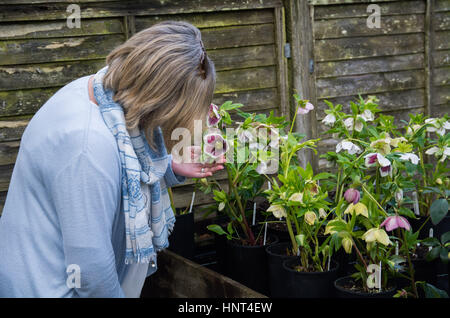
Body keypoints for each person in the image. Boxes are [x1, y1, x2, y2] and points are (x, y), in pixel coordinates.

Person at [0, 21, 224, 297]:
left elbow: (121, 167)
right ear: (157, 99)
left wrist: (167, 165)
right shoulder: (87, 147)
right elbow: (91, 273)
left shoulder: (103, 94)